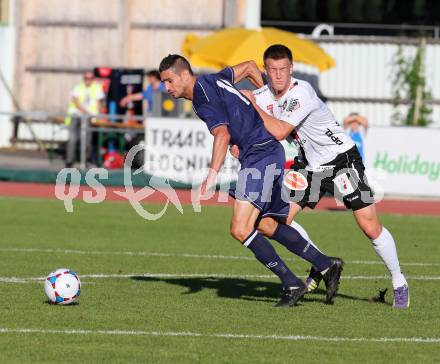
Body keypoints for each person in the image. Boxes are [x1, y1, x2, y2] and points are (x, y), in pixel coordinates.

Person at [159, 54, 343, 307]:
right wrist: (265, 98)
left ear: (183, 74)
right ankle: (325, 264)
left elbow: (221, 134)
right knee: (266, 225)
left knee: (240, 228)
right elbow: (248, 67)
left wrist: (212, 175)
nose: (166, 88)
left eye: (169, 81)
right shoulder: (215, 79)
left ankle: (291, 283)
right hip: (266, 151)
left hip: (260, 155)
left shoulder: (202, 98)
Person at [239, 44, 409, 308]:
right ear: (266, 71)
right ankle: (321, 263)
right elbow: (247, 111)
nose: (278, 75)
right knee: (270, 221)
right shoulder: (264, 95)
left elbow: (281, 130)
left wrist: (252, 104)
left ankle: (399, 281)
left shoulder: (301, 92)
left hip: (343, 160)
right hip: (308, 166)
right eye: (272, 70)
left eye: (283, 69)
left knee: (369, 225)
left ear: (291, 69)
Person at [64, 71, 105, 167]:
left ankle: (85, 160)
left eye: (90, 78)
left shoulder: (97, 88)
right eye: (86, 78)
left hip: (89, 117)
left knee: (87, 139)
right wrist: (86, 112)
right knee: (72, 138)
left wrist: (99, 116)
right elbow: (76, 103)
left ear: (93, 79)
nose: (88, 80)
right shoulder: (78, 87)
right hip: (76, 115)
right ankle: (70, 161)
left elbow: (99, 104)